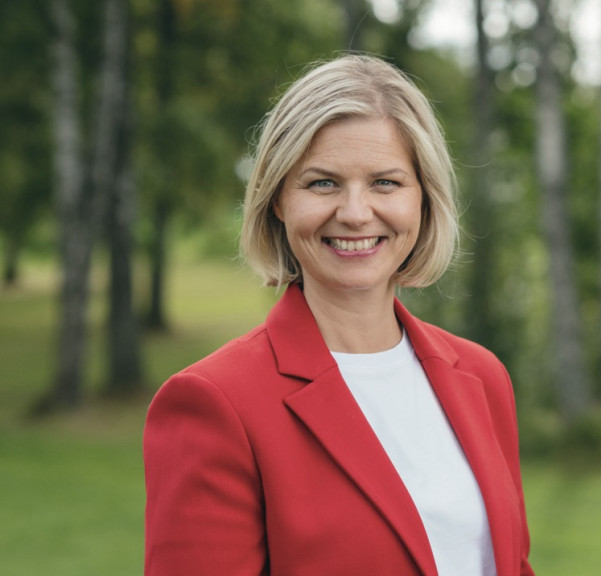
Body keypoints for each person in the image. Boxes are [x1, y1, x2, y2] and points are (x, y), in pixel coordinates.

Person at [143, 54, 534, 576]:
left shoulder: (481, 376)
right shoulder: (216, 403)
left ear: (424, 199)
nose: (354, 213)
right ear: (278, 199)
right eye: (322, 183)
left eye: (386, 183)